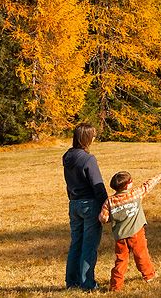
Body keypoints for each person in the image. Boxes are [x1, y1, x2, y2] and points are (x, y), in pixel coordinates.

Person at [99, 169, 161, 291]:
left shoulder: (109, 201)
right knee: (141, 255)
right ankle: (149, 276)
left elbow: (103, 219)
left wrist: (112, 217)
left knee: (120, 261)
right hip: (136, 233)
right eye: (131, 181)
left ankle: (116, 286)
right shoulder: (134, 194)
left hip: (120, 237)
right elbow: (148, 185)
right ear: (127, 185)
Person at [63, 123, 108, 291]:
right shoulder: (88, 159)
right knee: (89, 246)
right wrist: (106, 205)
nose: (94, 138)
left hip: (74, 204)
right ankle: (87, 284)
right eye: (93, 136)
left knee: (76, 243)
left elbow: (68, 182)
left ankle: (72, 281)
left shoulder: (67, 156)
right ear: (87, 138)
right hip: (90, 205)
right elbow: (97, 184)